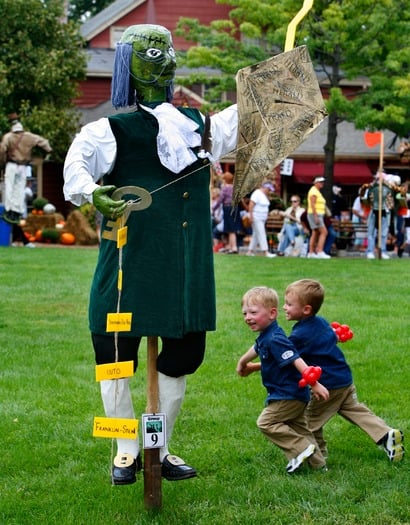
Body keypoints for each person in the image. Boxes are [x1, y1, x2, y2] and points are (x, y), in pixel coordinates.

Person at [63, 24, 239, 485]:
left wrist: (275, 82)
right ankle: (125, 448)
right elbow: (75, 169)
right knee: (114, 355)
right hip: (128, 264)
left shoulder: (200, 126)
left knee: (182, 357)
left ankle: (159, 447)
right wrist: (91, 192)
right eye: (149, 51)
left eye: (165, 50)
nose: (160, 59)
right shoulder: (106, 130)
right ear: (129, 63)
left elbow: (247, 120)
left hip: (184, 266)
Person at [283, 278, 405, 463]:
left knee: (308, 421)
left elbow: (289, 358)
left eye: (289, 304)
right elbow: (331, 337)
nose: (284, 307)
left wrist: (257, 366)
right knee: (355, 410)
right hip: (344, 379)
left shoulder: (299, 335)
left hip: (327, 385)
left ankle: (317, 457)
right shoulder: (322, 322)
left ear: (306, 309)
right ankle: (386, 434)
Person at [236, 286, 329, 473]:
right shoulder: (266, 336)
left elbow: (296, 359)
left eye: (253, 312)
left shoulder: (276, 339)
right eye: (245, 313)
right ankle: (319, 466)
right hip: (291, 393)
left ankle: (300, 449)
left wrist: (315, 384)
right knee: (301, 429)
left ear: (272, 313)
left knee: (266, 422)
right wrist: (243, 362)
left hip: (287, 394)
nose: (248, 317)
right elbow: (256, 348)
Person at [0, 116, 52, 225]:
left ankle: (9, 211)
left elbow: (2, 150)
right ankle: (17, 212)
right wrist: (47, 153)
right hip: (23, 166)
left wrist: (2, 163)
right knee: (19, 189)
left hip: (12, 165)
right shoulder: (30, 137)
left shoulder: (8, 137)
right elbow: (45, 142)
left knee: (9, 188)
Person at [365, 172, 395, 259]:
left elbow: (391, 202)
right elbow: (367, 199)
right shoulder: (371, 188)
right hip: (374, 211)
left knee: (384, 233)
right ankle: (370, 251)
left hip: (385, 212)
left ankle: (383, 251)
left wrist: (388, 206)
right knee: (371, 232)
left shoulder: (388, 189)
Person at [211, 171, 242, 254]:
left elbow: (220, 200)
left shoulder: (225, 188)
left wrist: (213, 209)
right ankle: (231, 247)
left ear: (225, 180)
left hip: (228, 208)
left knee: (230, 229)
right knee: (232, 229)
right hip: (235, 208)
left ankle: (234, 247)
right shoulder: (235, 187)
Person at [246, 181, 276, 258]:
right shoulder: (256, 193)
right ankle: (266, 252)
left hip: (262, 218)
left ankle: (249, 251)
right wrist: (251, 216)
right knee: (262, 233)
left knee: (256, 235)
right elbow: (251, 205)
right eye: (268, 189)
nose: (269, 191)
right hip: (256, 217)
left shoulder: (265, 195)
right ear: (265, 187)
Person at [306, 176, 330, 259]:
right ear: (315, 183)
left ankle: (311, 252)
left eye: (322, 182)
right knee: (324, 232)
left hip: (316, 214)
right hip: (315, 214)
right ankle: (319, 251)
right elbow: (312, 204)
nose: (322, 184)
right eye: (320, 182)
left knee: (315, 232)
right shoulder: (313, 191)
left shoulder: (316, 191)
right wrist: (316, 216)